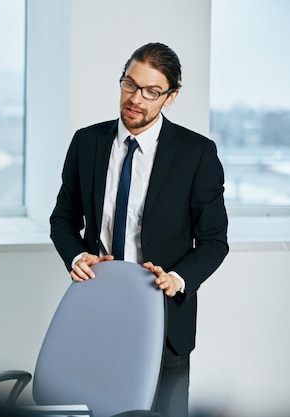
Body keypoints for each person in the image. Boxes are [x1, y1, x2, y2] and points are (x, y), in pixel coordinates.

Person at [49, 42, 229, 417]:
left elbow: (214, 241)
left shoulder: (197, 154)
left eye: (151, 91)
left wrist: (177, 278)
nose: (136, 99)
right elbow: (63, 219)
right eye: (129, 84)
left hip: (163, 318)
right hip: (98, 308)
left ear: (171, 95)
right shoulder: (87, 142)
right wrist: (77, 255)